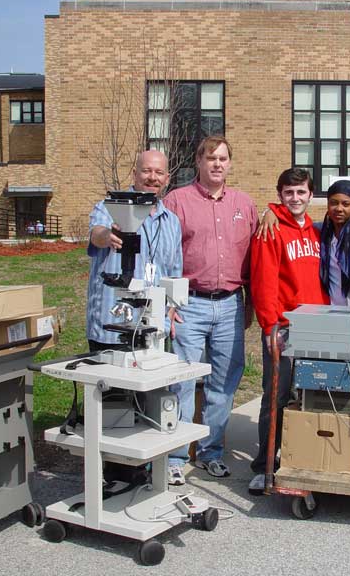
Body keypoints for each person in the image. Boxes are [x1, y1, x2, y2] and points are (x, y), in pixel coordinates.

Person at [86, 149, 183, 484]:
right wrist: (108, 234)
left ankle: (140, 469)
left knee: (147, 401)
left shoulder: (171, 222)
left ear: (166, 178)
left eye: (158, 173)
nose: (152, 178)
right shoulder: (108, 207)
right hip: (111, 327)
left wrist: (172, 308)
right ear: (135, 172)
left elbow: (174, 270)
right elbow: (97, 234)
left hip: (151, 330)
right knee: (113, 406)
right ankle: (110, 474)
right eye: (146, 171)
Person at [163, 135, 258, 482]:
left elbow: (253, 257)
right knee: (182, 383)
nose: (217, 164)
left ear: (230, 163)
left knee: (223, 385)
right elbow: (163, 256)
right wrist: (167, 304)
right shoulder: (177, 202)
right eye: (211, 158)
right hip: (189, 304)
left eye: (223, 158)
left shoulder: (244, 204)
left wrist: (249, 303)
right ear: (198, 162)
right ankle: (175, 456)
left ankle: (210, 452)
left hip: (231, 304)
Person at [247, 168, 328, 495]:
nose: (295, 198)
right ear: (280, 194)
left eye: (301, 192)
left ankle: (301, 456)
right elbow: (263, 282)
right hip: (284, 327)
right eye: (288, 193)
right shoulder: (270, 230)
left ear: (311, 195)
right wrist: (269, 325)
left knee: (310, 395)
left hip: (316, 325)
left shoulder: (315, 231)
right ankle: (263, 463)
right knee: (277, 397)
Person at [259, 179, 350, 357]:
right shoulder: (321, 231)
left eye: (345, 204)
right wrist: (270, 212)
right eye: (333, 203)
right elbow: (297, 222)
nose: (339, 208)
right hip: (335, 321)